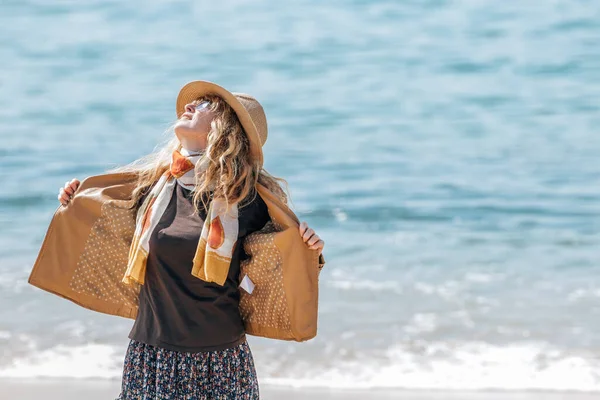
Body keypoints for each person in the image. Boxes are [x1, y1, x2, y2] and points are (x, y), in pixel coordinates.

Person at [56, 81, 325, 399]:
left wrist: (311, 249)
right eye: (194, 102)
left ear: (225, 128)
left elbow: (280, 266)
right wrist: (76, 198)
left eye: (206, 104)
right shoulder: (154, 187)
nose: (191, 105)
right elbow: (104, 225)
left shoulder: (245, 199)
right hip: (151, 358)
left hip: (220, 363)